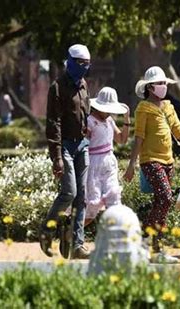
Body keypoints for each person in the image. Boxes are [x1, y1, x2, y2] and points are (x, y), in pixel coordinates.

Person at [124, 66, 180, 263]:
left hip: (168, 161)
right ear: (150, 87)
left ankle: (156, 250)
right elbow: (139, 137)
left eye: (165, 83)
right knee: (166, 198)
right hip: (151, 161)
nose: (164, 86)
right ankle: (142, 236)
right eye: (160, 83)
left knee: (162, 204)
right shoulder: (143, 108)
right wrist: (131, 164)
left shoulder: (168, 106)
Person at [60, 86, 131, 258]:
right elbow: (82, 144)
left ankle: (117, 243)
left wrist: (127, 120)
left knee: (115, 200)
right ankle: (70, 235)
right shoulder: (89, 121)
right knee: (91, 209)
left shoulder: (109, 121)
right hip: (93, 165)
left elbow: (121, 139)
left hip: (109, 164)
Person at [40, 44, 91, 259]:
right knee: (69, 192)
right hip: (66, 148)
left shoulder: (84, 85)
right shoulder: (57, 87)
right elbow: (54, 123)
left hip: (82, 145)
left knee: (82, 198)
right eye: (80, 63)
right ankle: (47, 230)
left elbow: (84, 111)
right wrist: (57, 157)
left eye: (87, 64)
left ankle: (77, 244)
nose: (84, 68)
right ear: (69, 62)